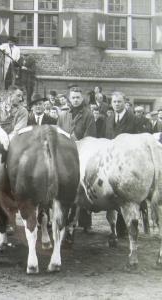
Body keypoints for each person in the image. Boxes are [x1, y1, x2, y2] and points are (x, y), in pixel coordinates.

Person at [58, 87, 96, 233]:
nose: (75, 100)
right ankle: (65, 219)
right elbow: (58, 132)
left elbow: (91, 135)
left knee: (82, 186)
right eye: (73, 98)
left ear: (82, 99)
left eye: (78, 98)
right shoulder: (63, 115)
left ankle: (85, 223)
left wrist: (78, 141)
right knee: (66, 186)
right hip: (66, 154)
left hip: (82, 153)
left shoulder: (88, 114)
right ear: (69, 99)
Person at [105, 91, 141, 237]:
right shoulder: (109, 119)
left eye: (119, 102)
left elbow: (137, 141)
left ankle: (124, 227)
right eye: (114, 102)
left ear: (124, 102)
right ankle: (114, 227)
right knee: (112, 192)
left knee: (125, 194)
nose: (116, 104)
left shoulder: (133, 119)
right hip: (112, 160)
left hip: (128, 161)